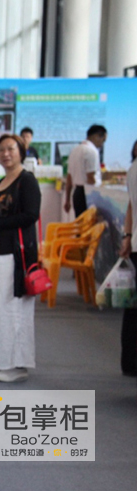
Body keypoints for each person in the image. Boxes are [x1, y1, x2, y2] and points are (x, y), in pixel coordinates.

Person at [0, 134, 42, 383]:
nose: (6, 154)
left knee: (14, 310)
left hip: (18, 255)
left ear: (21, 152)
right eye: (1, 149)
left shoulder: (27, 181)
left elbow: (30, 214)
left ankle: (18, 364)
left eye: (11, 149)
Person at [119, 151, 137, 376]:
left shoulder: (134, 167)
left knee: (133, 308)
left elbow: (131, 206)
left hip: (135, 242)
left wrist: (127, 235)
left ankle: (130, 362)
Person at [65, 125, 107, 217]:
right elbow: (90, 178)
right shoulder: (91, 151)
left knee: (80, 225)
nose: (102, 144)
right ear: (96, 136)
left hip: (77, 193)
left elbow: (69, 177)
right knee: (88, 226)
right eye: (103, 140)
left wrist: (67, 199)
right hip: (87, 194)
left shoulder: (75, 150)